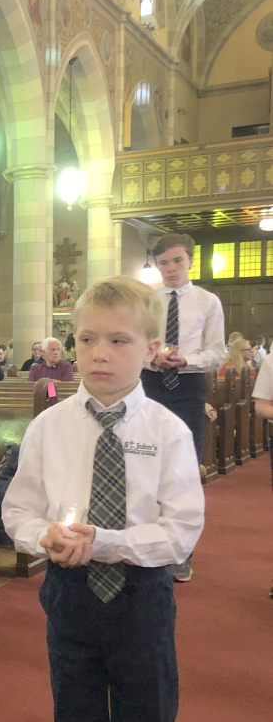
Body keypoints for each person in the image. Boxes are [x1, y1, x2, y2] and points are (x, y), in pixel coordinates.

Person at [2, 277, 204, 722]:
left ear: (150, 348)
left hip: (142, 604)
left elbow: (181, 532)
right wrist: (43, 539)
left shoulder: (168, 432)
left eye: (118, 341)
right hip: (72, 603)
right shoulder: (50, 426)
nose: (100, 354)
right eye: (87, 339)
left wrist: (108, 542)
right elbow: (19, 510)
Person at [140, 234, 224, 582]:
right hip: (149, 383)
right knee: (145, 460)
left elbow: (217, 351)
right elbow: (134, 338)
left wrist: (185, 359)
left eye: (176, 261)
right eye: (163, 263)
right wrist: (152, 356)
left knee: (184, 466)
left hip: (187, 386)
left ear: (190, 260)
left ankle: (181, 551)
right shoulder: (146, 300)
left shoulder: (207, 301)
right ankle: (146, 540)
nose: (170, 269)